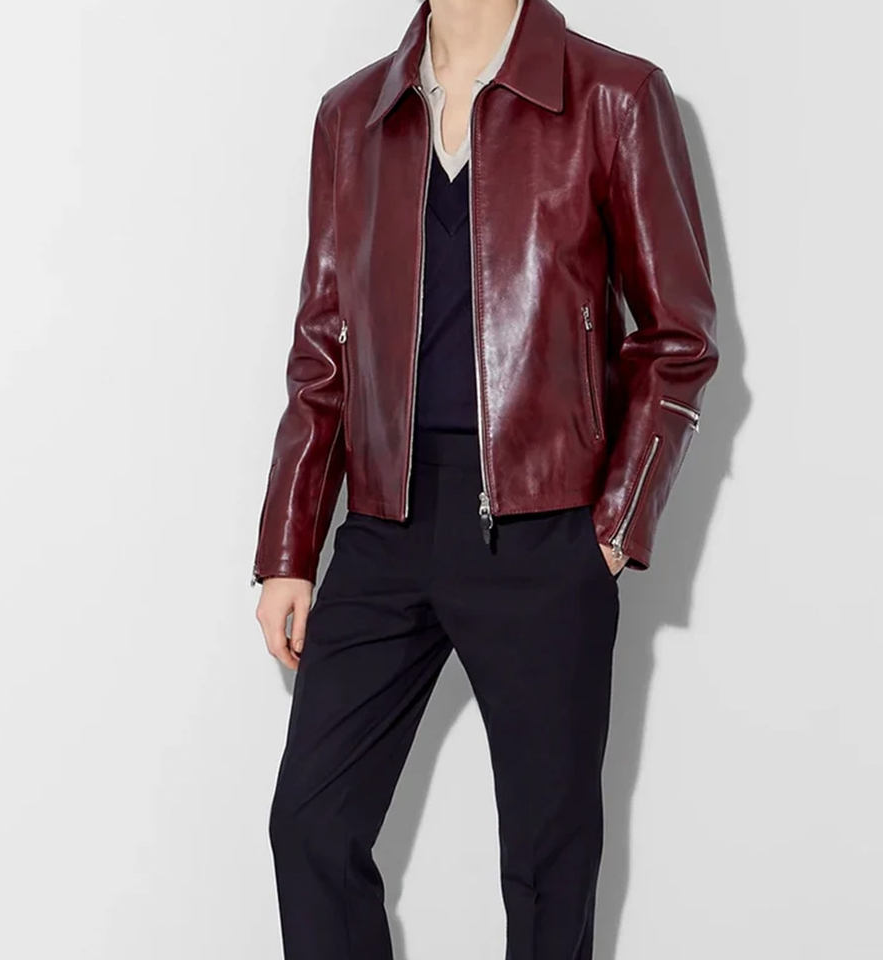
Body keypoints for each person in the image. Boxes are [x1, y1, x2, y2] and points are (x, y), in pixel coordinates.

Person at [252, 0, 718, 956]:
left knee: (548, 867)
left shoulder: (614, 97)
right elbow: (322, 348)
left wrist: (612, 527)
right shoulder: (352, 117)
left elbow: (678, 339)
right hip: (384, 524)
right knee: (310, 828)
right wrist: (289, 550)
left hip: (547, 528)